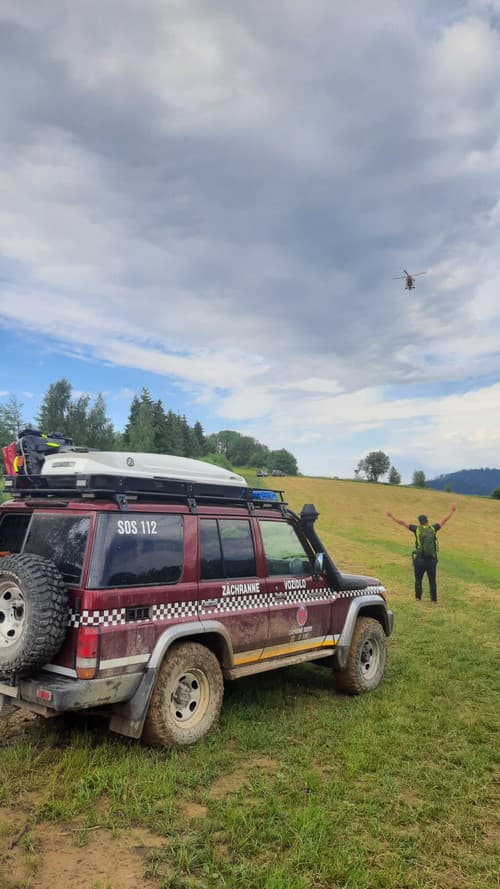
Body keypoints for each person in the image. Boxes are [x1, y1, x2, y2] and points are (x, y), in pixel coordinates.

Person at [386, 504, 457, 603]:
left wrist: (392, 516)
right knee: (432, 580)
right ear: (427, 521)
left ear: (419, 522)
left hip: (420, 559)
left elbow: (402, 522)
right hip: (431, 560)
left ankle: (418, 598)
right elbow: (444, 520)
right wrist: (452, 511)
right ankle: (434, 600)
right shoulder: (433, 528)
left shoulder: (417, 529)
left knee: (418, 579)